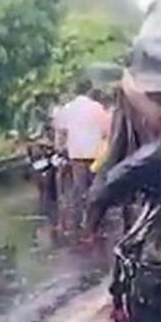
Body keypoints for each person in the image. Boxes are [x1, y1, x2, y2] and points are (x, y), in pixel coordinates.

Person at [54, 89, 110, 231]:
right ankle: (96, 218)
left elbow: (60, 131)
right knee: (96, 185)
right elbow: (106, 131)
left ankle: (83, 219)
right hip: (96, 154)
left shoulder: (68, 108)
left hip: (77, 154)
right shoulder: (98, 108)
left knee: (81, 186)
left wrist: (60, 147)